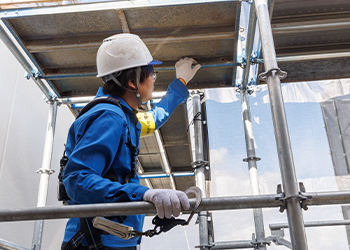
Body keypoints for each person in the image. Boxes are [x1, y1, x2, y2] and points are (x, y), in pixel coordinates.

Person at [61, 33, 201, 250]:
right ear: (132, 81)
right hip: (97, 242)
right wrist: (144, 193)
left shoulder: (124, 117)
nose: (154, 78)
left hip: (109, 238)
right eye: (151, 73)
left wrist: (181, 81)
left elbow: (154, 119)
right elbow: (77, 179)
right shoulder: (110, 117)